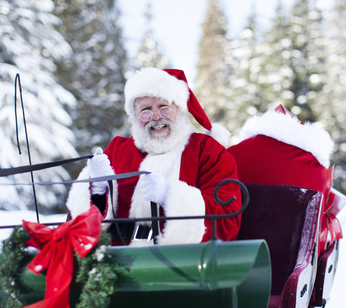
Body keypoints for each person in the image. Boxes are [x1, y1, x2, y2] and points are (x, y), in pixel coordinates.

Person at [66, 68, 241, 245]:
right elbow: (77, 231)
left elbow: (227, 221)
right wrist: (97, 192)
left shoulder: (207, 150)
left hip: (180, 266)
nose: (156, 117)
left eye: (164, 108)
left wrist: (170, 195)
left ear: (179, 108)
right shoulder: (117, 150)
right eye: (146, 110)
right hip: (115, 263)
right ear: (134, 115)